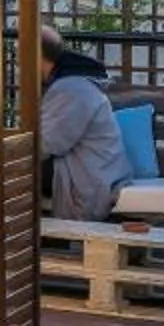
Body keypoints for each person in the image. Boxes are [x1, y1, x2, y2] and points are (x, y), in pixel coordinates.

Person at [38, 39, 131, 222]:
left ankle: (2, 229)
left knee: (12, 170)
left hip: (90, 179)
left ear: (37, 57)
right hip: (101, 172)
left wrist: (1, 154)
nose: (19, 69)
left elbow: (47, 143)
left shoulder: (71, 88)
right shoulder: (78, 83)